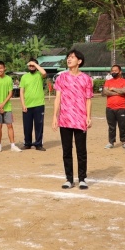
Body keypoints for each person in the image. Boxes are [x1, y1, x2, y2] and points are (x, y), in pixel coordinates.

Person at [52, 49, 93, 190]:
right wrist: (55, 116)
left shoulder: (86, 79)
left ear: (79, 61)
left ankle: (82, 179)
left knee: (81, 151)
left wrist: (88, 117)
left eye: (72, 57)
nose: (69, 59)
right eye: (68, 57)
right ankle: (69, 179)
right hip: (65, 119)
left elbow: (88, 99)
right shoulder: (61, 77)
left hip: (80, 119)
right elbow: (58, 98)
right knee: (66, 150)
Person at [0, 61, 22, 152]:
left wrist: (3, 104)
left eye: (1, 68)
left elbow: (10, 93)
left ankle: (13, 145)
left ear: (4, 68)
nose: (0, 70)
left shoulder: (8, 79)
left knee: (9, 125)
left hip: (7, 106)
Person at [19, 58, 48, 151]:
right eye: (30, 65)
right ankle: (27, 143)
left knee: (39, 125)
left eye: (33, 65)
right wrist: (23, 104)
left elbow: (44, 73)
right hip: (27, 105)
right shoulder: (24, 77)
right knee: (27, 126)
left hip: (39, 104)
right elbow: (21, 91)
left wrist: (35, 64)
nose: (31, 67)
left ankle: (38, 144)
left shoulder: (39, 74)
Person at [102, 64, 125, 149]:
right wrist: (118, 93)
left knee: (122, 126)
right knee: (111, 126)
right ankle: (111, 142)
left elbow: (124, 91)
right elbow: (105, 92)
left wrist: (113, 88)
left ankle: (124, 141)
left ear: (120, 72)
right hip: (110, 107)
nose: (113, 72)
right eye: (112, 71)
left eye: (115, 71)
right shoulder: (108, 81)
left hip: (121, 107)